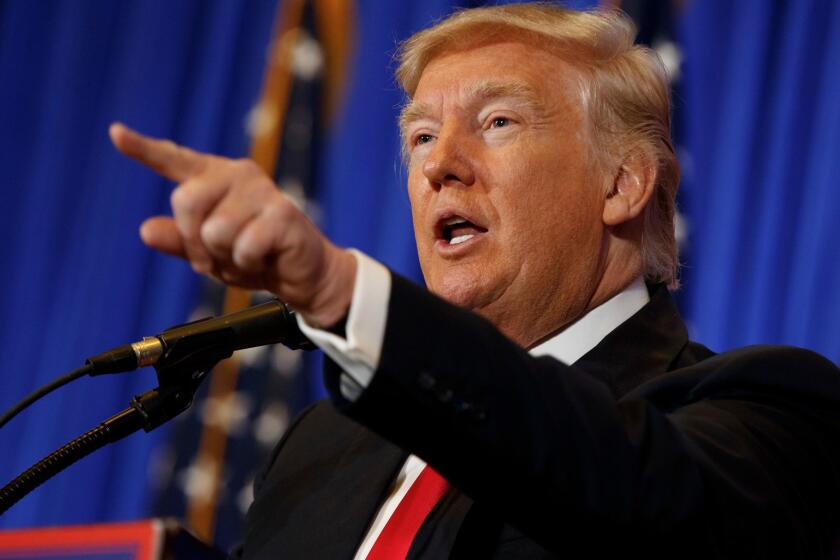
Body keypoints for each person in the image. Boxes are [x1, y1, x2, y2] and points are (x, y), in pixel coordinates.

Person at [109, 4, 840, 558]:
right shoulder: (324, 446)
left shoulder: (763, 415)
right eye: (421, 136)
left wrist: (343, 296)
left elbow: (617, 488)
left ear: (623, 183)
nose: (438, 166)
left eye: (496, 122)